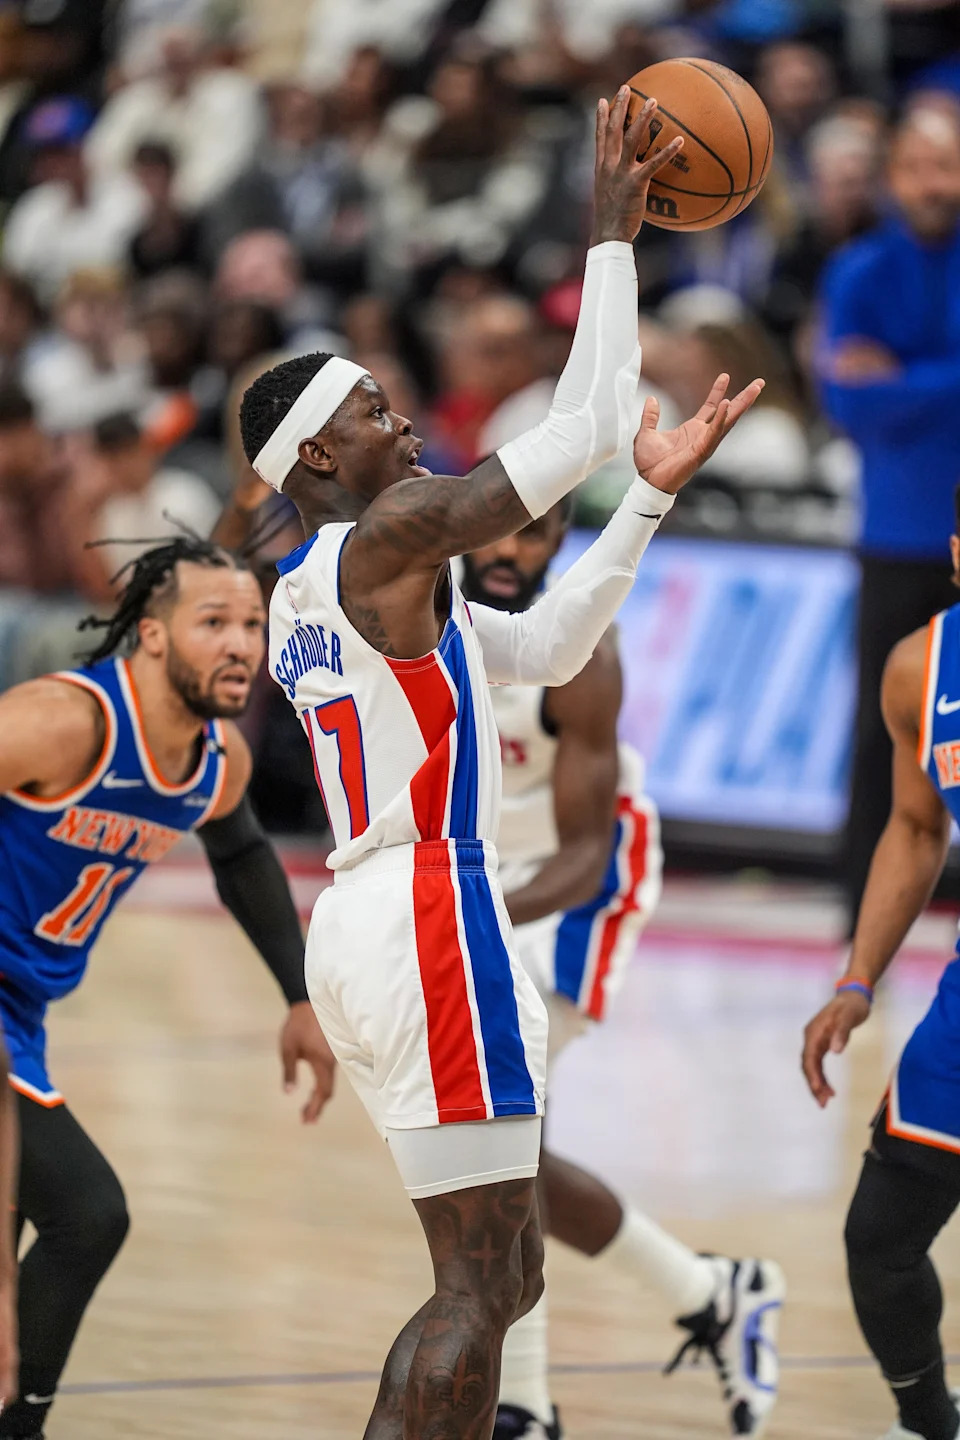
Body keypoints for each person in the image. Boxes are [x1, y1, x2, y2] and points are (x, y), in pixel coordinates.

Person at [238, 88, 763, 1439]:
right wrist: (613, 237)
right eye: (375, 411)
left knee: (504, 1277)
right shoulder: (388, 537)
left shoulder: (323, 585)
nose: (406, 427)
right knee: (478, 1286)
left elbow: (550, 646)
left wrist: (647, 499)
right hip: (426, 906)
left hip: (365, 917)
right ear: (317, 454)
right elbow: (577, 434)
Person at [459, 504, 784, 1440]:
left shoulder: (582, 653)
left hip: (576, 881)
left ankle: (525, 1404)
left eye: (538, 533)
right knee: (493, 1151)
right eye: (502, 527)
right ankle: (708, 1292)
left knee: (502, 1143)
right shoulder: (416, 618)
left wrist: (467, 921)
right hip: (480, 871)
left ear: (559, 540)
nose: (514, 549)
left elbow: (581, 853)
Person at [0, 536, 335, 1440]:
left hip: (23, 1015)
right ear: (152, 636)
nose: (240, 644)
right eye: (213, 622)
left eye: (253, 625)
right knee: (85, 1214)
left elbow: (244, 852)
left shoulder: (214, 762)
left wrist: (299, 997)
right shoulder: (62, 724)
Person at [800, 485, 960, 1440]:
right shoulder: (921, 667)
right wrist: (858, 982)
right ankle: (930, 1424)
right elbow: (915, 825)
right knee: (880, 1241)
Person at [817, 102, 960, 931]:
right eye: (917, 167)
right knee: (882, 728)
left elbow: (877, 394)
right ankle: (860, 910)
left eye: (946, 165)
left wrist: (900, 378)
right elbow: (847, 404)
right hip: (897, 538)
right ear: (892, 177)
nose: (932, 184)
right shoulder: (859, 271)